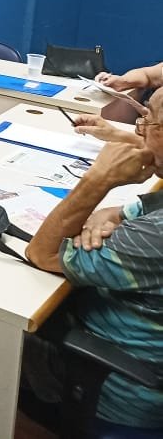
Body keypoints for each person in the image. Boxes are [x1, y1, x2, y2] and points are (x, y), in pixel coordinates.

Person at [23, 90, 163, 430]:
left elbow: (43, 253)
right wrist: (111, 213)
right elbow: (123, 212)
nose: (139, 128)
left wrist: (98, 179)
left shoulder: (154, 235)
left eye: (148, 120)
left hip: (112, 390)